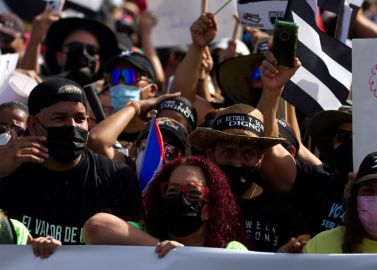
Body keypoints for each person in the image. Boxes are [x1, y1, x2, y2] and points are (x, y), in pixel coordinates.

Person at [0, 78, 141, 244]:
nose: (72, 126)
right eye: (60, 118)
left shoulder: (116, 177)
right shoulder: (10, 172)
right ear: (33, 125)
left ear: (88, 122)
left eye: (79, 118)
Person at [189, 104, 311, 252]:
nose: (237, 163)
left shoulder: (286, 216)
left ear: (260, 157)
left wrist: (281, 258)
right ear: (210, 152)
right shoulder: (192, 204)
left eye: (248, 154)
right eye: (228, 152)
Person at [83, 156, 247, 256]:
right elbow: (96, 227)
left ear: (210, 208)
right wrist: (160, 247)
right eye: (172, 191)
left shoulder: (230, 251)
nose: (181, 199)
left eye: (194, 193)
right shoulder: (139, 235)